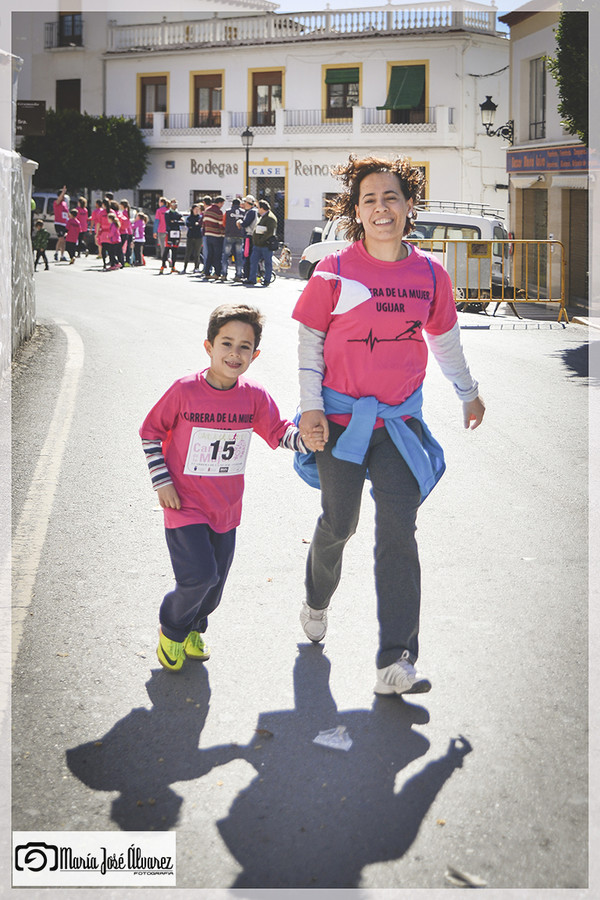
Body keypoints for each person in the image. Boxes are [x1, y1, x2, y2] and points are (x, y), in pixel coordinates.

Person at [292, 154, 485, 696]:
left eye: (391, 197)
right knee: (340, 523)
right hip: (336, 423)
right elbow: (309, 342)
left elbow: (444, 340)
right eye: (370, 199)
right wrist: (309, 408)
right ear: (356, 211)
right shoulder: (333, 269)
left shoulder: (429, 274)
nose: (382, 208)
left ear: (408, 206)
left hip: (400, 425)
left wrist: (468, 393)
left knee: (398, 533)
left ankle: (396, 659)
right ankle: (316, 597)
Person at [139, 303, 324, 672]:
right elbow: (150, 432)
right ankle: (171, 629)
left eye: (244, 346)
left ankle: (194, 627)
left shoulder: (253, 396)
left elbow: (278, 432)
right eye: (226, 343)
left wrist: (306, 441)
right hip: (184, 504)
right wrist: (162, 482)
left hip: (226, 508)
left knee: (215, 584)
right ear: (209, 347)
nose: (234, 353)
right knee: (199, 576)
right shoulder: (184, 391)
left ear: (255, 354)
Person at [247, 199, 277, 287]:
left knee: (267, 263)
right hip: (257, 245)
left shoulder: (270, 218)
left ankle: (267, 279)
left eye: (258, 208)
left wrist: (261, 240)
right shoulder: (262, 216)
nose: (257, 210)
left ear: (262, 208)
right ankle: (252, 279)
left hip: (265, 245)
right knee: (253, 261)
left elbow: (269, 232)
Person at [202, 195, 226, 280]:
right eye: (222, 204)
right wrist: (223, 234)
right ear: (219, 203)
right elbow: (220, 225)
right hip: (217, 236)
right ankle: (217, 273)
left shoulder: (206, 210)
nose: (222, 205)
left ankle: (207, 272)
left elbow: (203, 223)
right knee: (217, 255)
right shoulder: (218, 212)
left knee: (209, 255)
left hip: (208, 235)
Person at [221, 198, 245, 282]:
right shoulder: (243, 212)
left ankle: (224, 274)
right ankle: (238, 275)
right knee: (238, 256)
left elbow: (223, 223)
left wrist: (228, 229)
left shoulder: (227, 212)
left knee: (226, 255)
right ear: (239, 204)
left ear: (232, 204)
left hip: (229, 235)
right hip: (240, 236)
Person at [160, 198, 184, 274]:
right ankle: (163, 265)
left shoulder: (178, 213)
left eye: (176, 204)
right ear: (170, 205)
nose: (175, 205)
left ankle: (173, 267)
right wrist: (177, 221)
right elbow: (169, 222)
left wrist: (175, 221)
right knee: (167, 249)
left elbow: (183, 223)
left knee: (175, 250)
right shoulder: (167, 213)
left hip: (177, 232)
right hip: (170, 232)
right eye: (173, 204)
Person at [239, 195, 259, 281]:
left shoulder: (251, 212)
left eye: (245, 202)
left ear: (248, 203)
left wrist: (239, 222)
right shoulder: (253, 211)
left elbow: (245, 224)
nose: (243, 204)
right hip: (251, 236)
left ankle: (248, 275)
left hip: (249, 237)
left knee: (247, 256)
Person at [182, 204, 203, 274]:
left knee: (197, 253)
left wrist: (195, 225)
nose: (197, 211)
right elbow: (188, 225)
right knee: (188, 253)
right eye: (195, 209)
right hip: (190, 237)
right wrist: (195, 225)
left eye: (198, 209)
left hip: (199, 237)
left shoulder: (200, 217)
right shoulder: (189, 218)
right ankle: (184, 268)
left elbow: (200, 225)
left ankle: (196, 268)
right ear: (192, 210)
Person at [53, 185, 69, 261]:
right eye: (62, 196)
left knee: (64, 240)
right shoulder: (56, 202)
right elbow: (59, 199)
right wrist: (63, 192)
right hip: (58, 223)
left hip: (64, 224)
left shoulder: (65, 203)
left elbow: (66, 213)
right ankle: (56, 252)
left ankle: (62, 255)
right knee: (61, 238)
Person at [153, 196, 169, 261]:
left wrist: (154, 231)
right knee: (168, 246)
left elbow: (157, 221)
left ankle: (164, 261)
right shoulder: (168, 210)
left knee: (162, 246)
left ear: (161, 203)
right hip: (168, 230)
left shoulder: (159, 211)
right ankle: (169, 259)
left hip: (161, 230)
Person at [119, 199, 134, 266]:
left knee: (126, 247)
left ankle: (127, 261)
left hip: (126, 231)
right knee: (128, 247)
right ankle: (127, 260)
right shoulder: (127, 211)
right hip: (129, 231)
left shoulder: (124, 212)